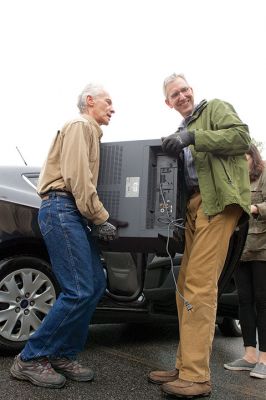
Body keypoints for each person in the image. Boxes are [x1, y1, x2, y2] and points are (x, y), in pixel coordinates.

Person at [148, 73, 251, 398]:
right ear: (168, 102)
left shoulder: (214, 109)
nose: (181, 96)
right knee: (184, 287)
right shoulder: (180, 132)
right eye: (174, 94)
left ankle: (196, 377)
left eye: (184, 90)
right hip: (193, 207)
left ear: (191, 91)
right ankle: (184, 365)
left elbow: (241, 137)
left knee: (199, 284)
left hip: (217, 201)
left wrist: (194, 137)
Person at [10, 83, 118, 388]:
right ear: (89, 101)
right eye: (108, 102)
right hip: (62, 208)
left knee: (95, 285)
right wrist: (100, 217)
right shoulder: (80, 125)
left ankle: (61, 353)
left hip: (73, 212)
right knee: (80, 288)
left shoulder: (91, 133)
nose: (113, 108)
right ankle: (30, 358)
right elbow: (77, 177)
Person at [224, 143, 266, 379]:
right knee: (244, 301)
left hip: (262, 249)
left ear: (253, 156)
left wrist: (255, 208)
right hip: (240, 250)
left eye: (244, 157)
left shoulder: (264, 176)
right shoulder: (234, 181)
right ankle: (249, 355)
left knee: (263, 302)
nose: (241, 161)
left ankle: (264, 358)